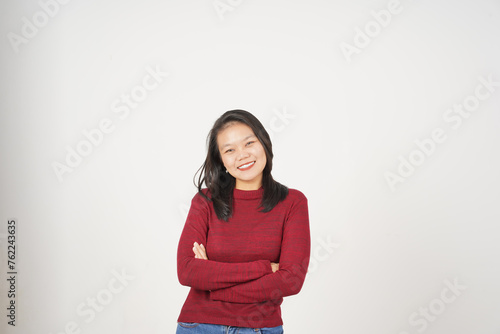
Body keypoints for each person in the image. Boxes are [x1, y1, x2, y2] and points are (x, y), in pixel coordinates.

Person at [176, 109, 310, 334]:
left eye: (249, 143)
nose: (242, 155)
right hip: (198, 326)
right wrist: (264, 268)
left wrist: (213, 284)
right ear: (222, 162)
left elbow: (291, 281)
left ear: (264, 143)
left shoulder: (292, 202)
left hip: (259, 328)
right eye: (230, 150)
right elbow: (188, 271)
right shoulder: (205, 201)